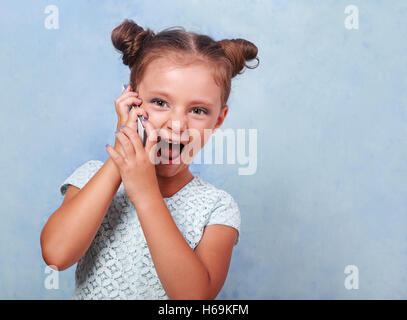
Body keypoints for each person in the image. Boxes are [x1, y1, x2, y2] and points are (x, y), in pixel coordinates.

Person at [40, 19, 259, 300]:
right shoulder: (92, 177)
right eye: (160, 102)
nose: (177, 124)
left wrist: (146, 195)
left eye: (199, 110)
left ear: (219, 119)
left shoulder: (217, 207)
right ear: (132, 100)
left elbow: (194, 298)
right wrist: (122, 154)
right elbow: (57, 255)